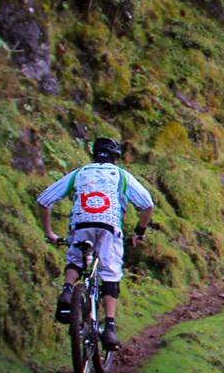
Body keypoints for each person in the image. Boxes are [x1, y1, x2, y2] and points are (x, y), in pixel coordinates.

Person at [36, 136, 155, 350]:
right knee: (110, 273)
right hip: (109, 226)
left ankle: (67, 289)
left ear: (93, 155)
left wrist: (49, 232)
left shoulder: (79, 173)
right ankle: (109, 327)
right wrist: (139, 231)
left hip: (81, 223)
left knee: (75, 258)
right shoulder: (120, 175)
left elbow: (44, 200)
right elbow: (147, 205)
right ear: (115, 158)